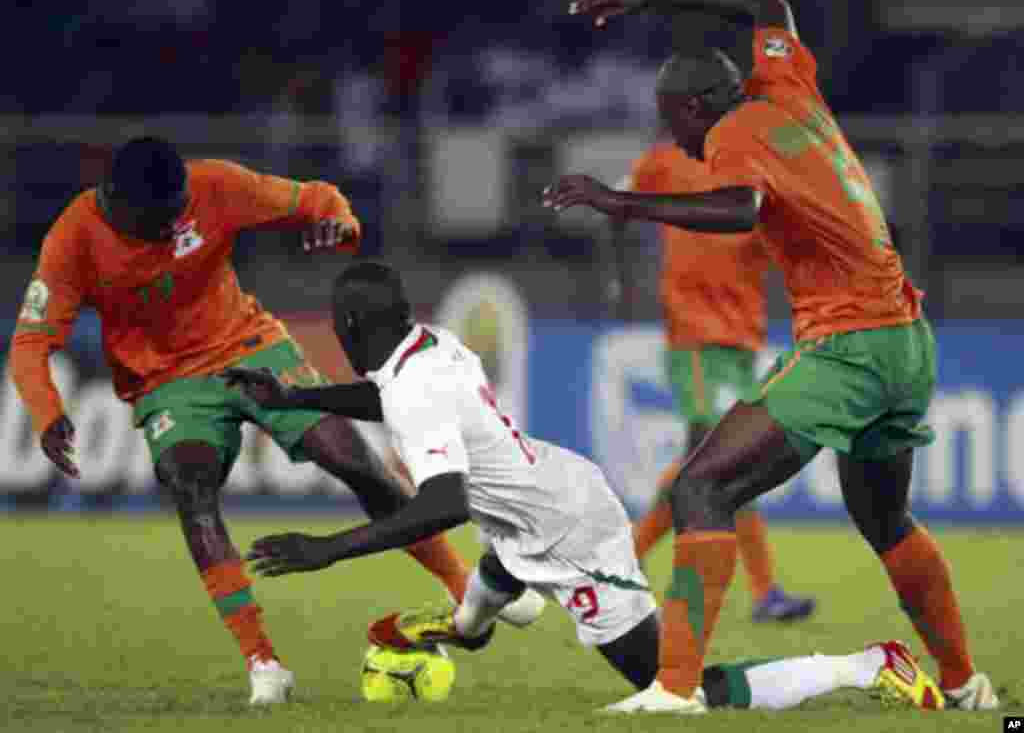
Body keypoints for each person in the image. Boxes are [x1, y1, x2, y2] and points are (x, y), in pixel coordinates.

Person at [542, 0, 998, 713]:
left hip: (848, 345)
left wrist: (617, 202)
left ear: (692, 108)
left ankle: (674, 690)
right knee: (885, 519)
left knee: (701, 486)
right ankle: (964, 684)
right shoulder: (787, 90)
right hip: (906, 339)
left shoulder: (730, 134)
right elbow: (768, 6)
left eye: (673, 122)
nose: (680, 141)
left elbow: (738, 209)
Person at [222, 261, 943, 713]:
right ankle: (462, 628)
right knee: (494, 576)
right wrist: (290, 400)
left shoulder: (414, 385)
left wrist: (330, 549)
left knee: (684, 691)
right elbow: (390, 400)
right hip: (536, 499)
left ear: (348, 325)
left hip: (569, 536)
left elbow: (438, 505)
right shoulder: (430, 346)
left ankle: (866, 665)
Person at [9, 137, 485, 705]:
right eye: (161, 220)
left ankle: (467, 592)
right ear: (119, 205)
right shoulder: (74, 237)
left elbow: (317, 199)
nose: (173, 228)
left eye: (178, 213)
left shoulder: (214, 185)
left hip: (250, 348)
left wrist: (340, 224)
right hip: (167, 383)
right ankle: (264, 662)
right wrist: (46, 410)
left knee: (353, 460)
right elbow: (31, 342)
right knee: (192, 490)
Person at [628, 140, 815, 622]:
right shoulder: (665, 161)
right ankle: (763, 590)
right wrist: (619, 276)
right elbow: (624, 206)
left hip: (741, 342)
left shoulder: (761, 169)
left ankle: (623, 560)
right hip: (694, 335)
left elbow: (789, 244)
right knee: (715, 454)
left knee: (716, 461)